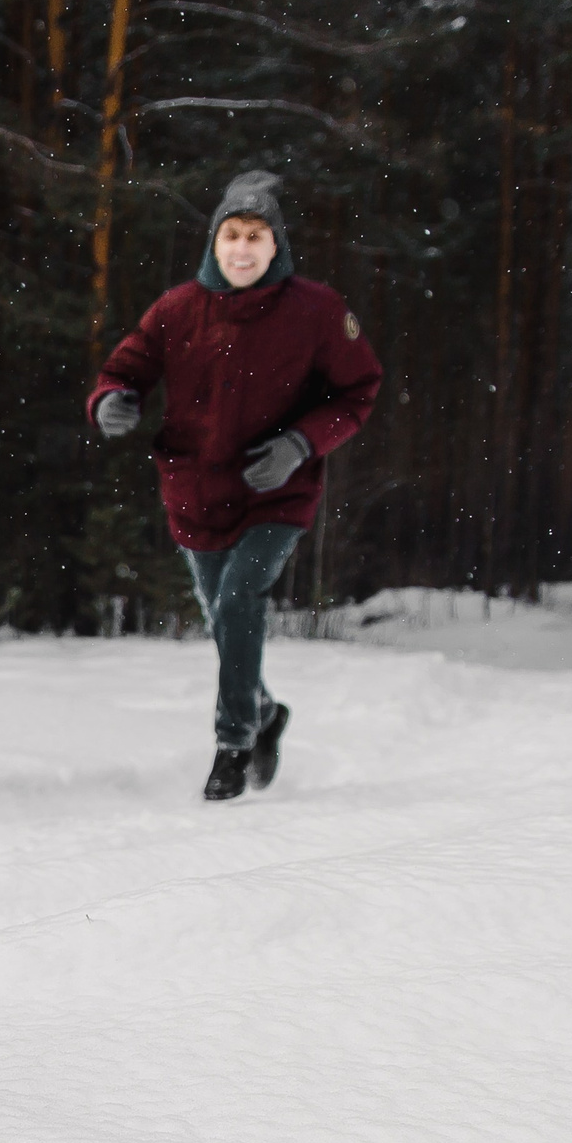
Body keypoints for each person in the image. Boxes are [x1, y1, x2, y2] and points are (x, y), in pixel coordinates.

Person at [87, 170, 382, 801]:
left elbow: (358, 391)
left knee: (240, 600)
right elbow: (125, 368)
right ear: (214, 244)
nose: (243, 249)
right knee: (223, 618)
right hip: (194, 490)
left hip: (278, 491)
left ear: (277, 246)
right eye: (231, 236)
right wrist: (112, 399)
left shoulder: (319, 311)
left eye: (256, 236)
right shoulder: (176, 310)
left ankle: (233, 745)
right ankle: (268, 711)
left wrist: (301, 443)